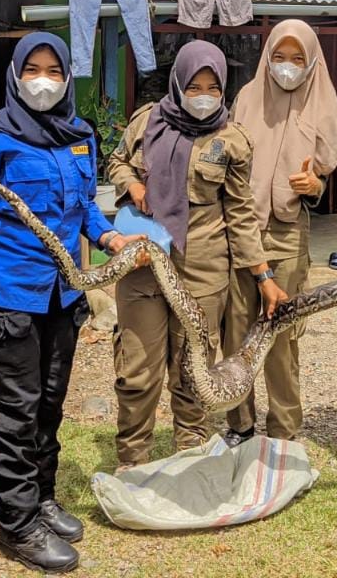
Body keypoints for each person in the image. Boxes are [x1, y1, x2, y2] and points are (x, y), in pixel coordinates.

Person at [0, 33, 143, 573]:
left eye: (55, 69)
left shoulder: (79, 136)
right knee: (16, 409)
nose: (45, 80)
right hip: (9, 296)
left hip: (64, 293)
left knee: (51, 403)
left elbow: (85, 211)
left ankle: (42, 499)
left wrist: (111, 238)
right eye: (34, 68)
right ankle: (16, 524)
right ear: (15, 73)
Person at [106, 40, 288, 467]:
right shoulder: (147, 122)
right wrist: (131, 185)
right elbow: (118, 163)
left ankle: (190, 454)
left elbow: (241, 212)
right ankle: (134, 461)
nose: (203, 96)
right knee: (137, 368)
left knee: (194, 366)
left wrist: (262, 275)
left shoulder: (232, 140)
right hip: (146, 258)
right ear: (178, 83)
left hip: (204, 262)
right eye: (194, 85)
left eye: (213, 87)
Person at [223, 19, 337, 446]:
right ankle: (239, 424)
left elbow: (325, 174)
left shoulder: (323, 104)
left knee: (281, 334)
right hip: (240, 229)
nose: (287, 66)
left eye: (297, 58)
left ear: (312, 62)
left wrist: (315, 186)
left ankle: (284, 431)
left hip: (288, 232)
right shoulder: (247, 98)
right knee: (236, 330)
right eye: (279, 57)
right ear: (267, 57)